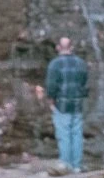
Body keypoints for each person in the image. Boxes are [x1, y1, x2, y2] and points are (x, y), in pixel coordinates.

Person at [37, 35, 89, 169]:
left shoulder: (55, 64)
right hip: (77, 103)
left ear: (58, 48)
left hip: (61, 103)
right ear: (72, 47)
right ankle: (77, 166)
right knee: (77, 134)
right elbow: (84, 83)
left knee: (63, 134)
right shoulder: (81, 63)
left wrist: (51, 101)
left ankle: (65, 164)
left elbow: (51, 86)